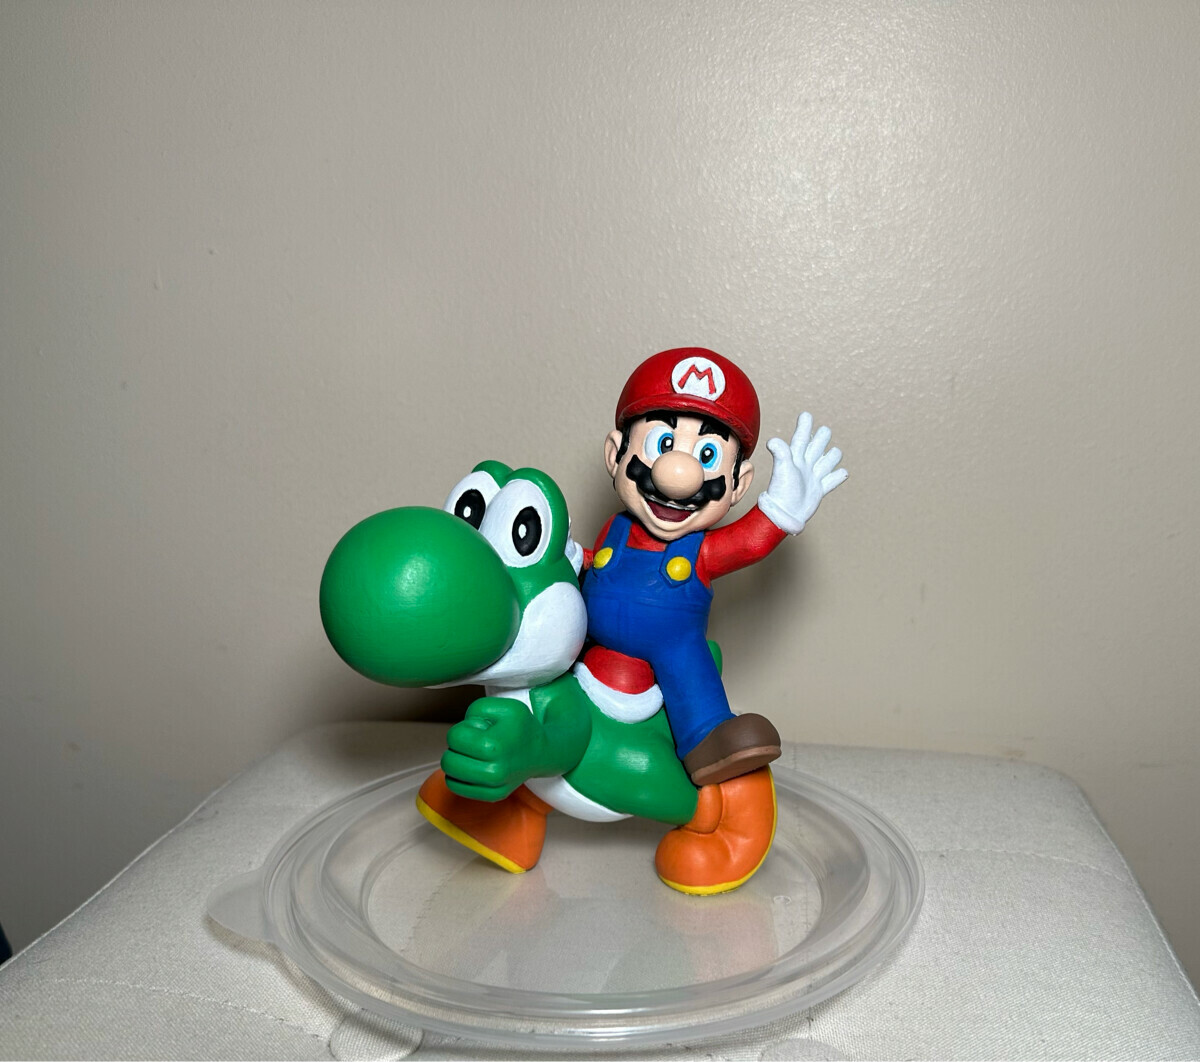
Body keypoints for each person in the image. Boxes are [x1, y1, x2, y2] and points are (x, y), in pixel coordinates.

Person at [580, 347, 847, 785]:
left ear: (738, 484)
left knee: (688, 661)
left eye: (707, 456)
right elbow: (590, 564)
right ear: (616, 454)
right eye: (663, 444)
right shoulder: (614, 528)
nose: (677, 475)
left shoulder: (701, 551)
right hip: (587, 641)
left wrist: (781, 511)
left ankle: (705, 738)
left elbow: (748, 544)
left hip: (673, 648)